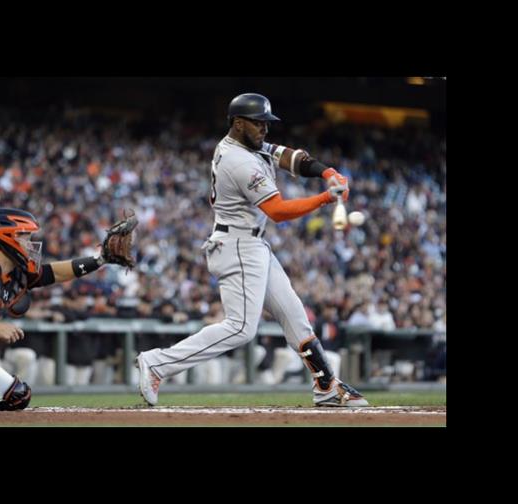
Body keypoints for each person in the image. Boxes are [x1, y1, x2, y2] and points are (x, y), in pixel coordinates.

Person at [135, 93, 368, 407]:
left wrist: (326, 172)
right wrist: (325, 198)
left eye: (266, 123)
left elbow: (289, 157)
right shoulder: (238, 159)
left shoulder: (247, 145)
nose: (264, 129)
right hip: (239, 245)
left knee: (295, 316)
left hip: (252, 244)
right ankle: (159, 363)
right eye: (258, 123)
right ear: (238, 122)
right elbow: (278, 211)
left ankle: (326, 386)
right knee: (241, 329)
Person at [0, 207, 135, 411]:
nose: (30, 244)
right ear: (7, 236)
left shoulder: (14, 275)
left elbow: (54, 272)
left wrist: (100, 260)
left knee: (17, 395)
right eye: (25, 236)